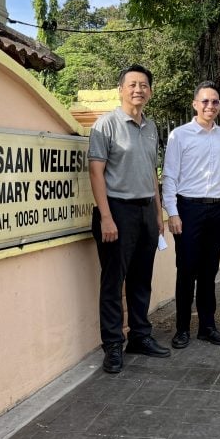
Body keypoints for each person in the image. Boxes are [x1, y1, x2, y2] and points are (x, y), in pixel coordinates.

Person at [89, 64, 169, 375]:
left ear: (150, 91)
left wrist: (158, 212)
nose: (139, 89)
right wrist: (106, 217)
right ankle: (112, 345)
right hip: (116, 210)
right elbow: (96, 171)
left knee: (140, 279)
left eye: (144, 85)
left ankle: (140, 336)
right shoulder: (105, 125)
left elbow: (152, 172)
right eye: (132, 84)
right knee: (113, 282)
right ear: (121, 89)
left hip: (146, 210)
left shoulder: (150, 128)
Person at [163, 82, 220, 348]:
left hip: (216, 209)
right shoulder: (179, 135)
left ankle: (207, 326)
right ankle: (182, 328)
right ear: (195, 104)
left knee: (209, 270)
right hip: (188, 208)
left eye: (215, 102)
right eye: (205, 101)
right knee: (187, 270)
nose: (210, 106)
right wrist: (173, 212)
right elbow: (169, 176)